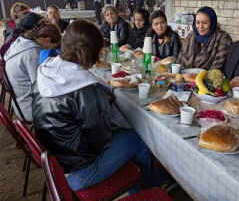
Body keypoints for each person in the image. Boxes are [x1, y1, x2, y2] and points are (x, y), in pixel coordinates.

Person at [31, 19, 162, 191]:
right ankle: (152, 189)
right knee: (138, 138)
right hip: (79, 173)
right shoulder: (86, 90)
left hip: (55, 165)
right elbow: (101, 141)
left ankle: (141, 188)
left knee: (124, 135)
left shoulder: (45, 72)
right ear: (94, 55)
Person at [4, 16, 61, 121]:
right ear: (46, 40)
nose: (53, 48)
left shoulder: (20, 43)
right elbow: (40, 86)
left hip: (20, 102)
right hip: (30, 107)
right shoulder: (33, 53)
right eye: (53, 46)